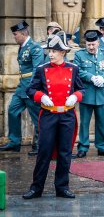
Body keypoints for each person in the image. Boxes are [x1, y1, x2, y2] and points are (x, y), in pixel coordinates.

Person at [22, 32, 84, 199]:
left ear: (63, 52)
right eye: (50, 50)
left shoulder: (73, 69)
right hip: (49, 115)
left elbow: (81, 89)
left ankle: (62, 187)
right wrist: (41, 96)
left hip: (67, 115)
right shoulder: (42, 69)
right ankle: (36, 188)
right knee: (44, 151)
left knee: (65, 152)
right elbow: (30, 90)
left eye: (54, 51)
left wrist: (75, 96)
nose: (50, 54)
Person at [0, 21, 43, 156]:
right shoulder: (23, 46)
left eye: (15, 34)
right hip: (21, 87)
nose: (14, 37)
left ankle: (39, 145)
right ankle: (14, 142)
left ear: (23, 34)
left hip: (31, 88)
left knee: (37, 118)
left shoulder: (35, 48)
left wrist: (32, 88)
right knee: (12, 110)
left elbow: (37, 69)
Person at [74, 30, 104, 158]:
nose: (91, 47)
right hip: (87, 93)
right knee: (85, 122)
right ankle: (83, 147)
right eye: (88, 45)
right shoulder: (79, 55)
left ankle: (102, 146)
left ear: (98, 42)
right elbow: (77, 70)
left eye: (93, 44)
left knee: (102, 121)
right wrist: (91, 77)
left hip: (102, 93)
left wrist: (103, 78)